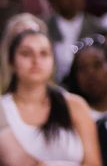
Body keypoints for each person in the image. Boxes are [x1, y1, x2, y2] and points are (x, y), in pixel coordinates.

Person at [3, 28, 100, 165]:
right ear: (11, 62)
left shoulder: (75, 105)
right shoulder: (3, 109)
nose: (36, 60)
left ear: (53, 62)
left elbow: (93, 162)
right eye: (26, 53)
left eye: (44, 54)